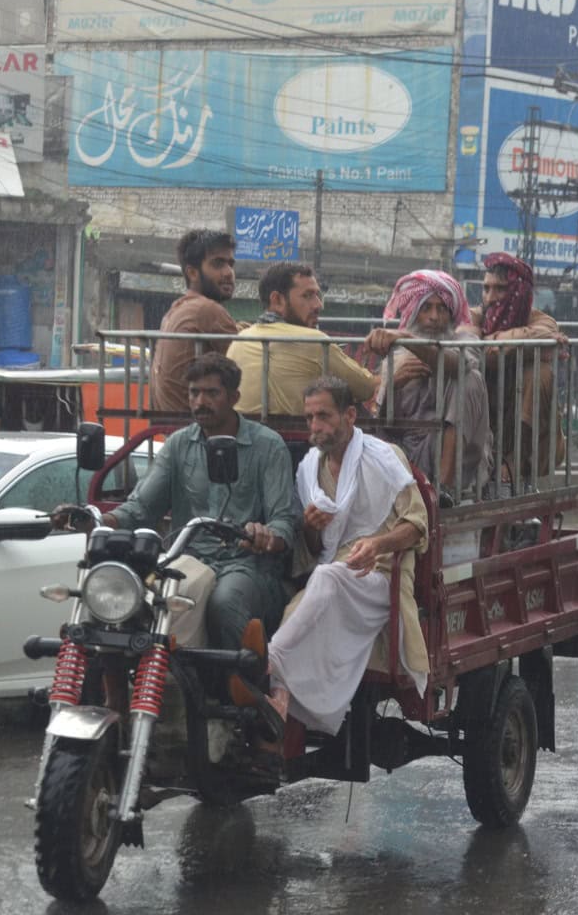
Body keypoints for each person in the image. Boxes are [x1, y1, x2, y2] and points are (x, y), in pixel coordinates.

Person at [56, 353, 297, 650]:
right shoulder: (178, 445)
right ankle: (117, 693)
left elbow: (284, 519)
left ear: (234, 396)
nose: (200, 402)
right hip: (186, 560)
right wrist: (94, 519)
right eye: (194, 393)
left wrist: (266, 537)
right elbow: (141, 508)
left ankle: (239, 687)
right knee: (123, 599)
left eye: (212, 393)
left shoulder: (267, 446)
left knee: (223, 603)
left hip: (247, 566)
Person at [266, 378, 430, 735]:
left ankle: (270, 659)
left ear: (350, 415)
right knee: (298, 606)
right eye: (309, 418)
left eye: (323, 416)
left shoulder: (384, 458)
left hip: (380, 577)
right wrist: (310, 527)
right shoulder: (310, 468)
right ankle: (281, 693)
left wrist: (378, 544)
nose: (315, 426)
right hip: (336, 572)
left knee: (326, 579)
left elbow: (418, 526)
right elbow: (312, 548)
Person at [364, 269, 491, 497]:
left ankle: (445, 488)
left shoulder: (464, 341)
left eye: (441, 308)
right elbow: (383, 423)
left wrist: (409, 340)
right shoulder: (396, 355)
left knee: (470, 379)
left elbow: (457, 365)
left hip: (458, 455)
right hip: (408, 451)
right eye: (426, 308)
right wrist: (392, 386)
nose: (434, 316)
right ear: (414, 313)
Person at [228, 262, 377, 416]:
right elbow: (365, 389)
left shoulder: (241, 339)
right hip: (300, 438)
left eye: (317, 296)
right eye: (307, 296)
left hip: (244, 435)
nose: (318, 305)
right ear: (277, 300)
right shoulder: (315, 341)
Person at [476, 252, 568, 483]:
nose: (490, 297)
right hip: (483, 424)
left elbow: (547, 331)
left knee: (541, 374)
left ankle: (513, 461)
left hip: (528, 440)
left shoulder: (540, 320)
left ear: (518, 292)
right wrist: (522, 344)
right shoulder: (474, 316)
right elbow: (468, 344)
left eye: (499, 289)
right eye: (486, 288)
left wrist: (491, 343)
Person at [150, 230, 241, 414]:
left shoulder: (177, 308)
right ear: (192, 272)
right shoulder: (206, 309)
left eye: (230, 264)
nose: (228, 273)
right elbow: (247, 360)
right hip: (197, 425)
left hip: (175, 424)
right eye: (218, 264)